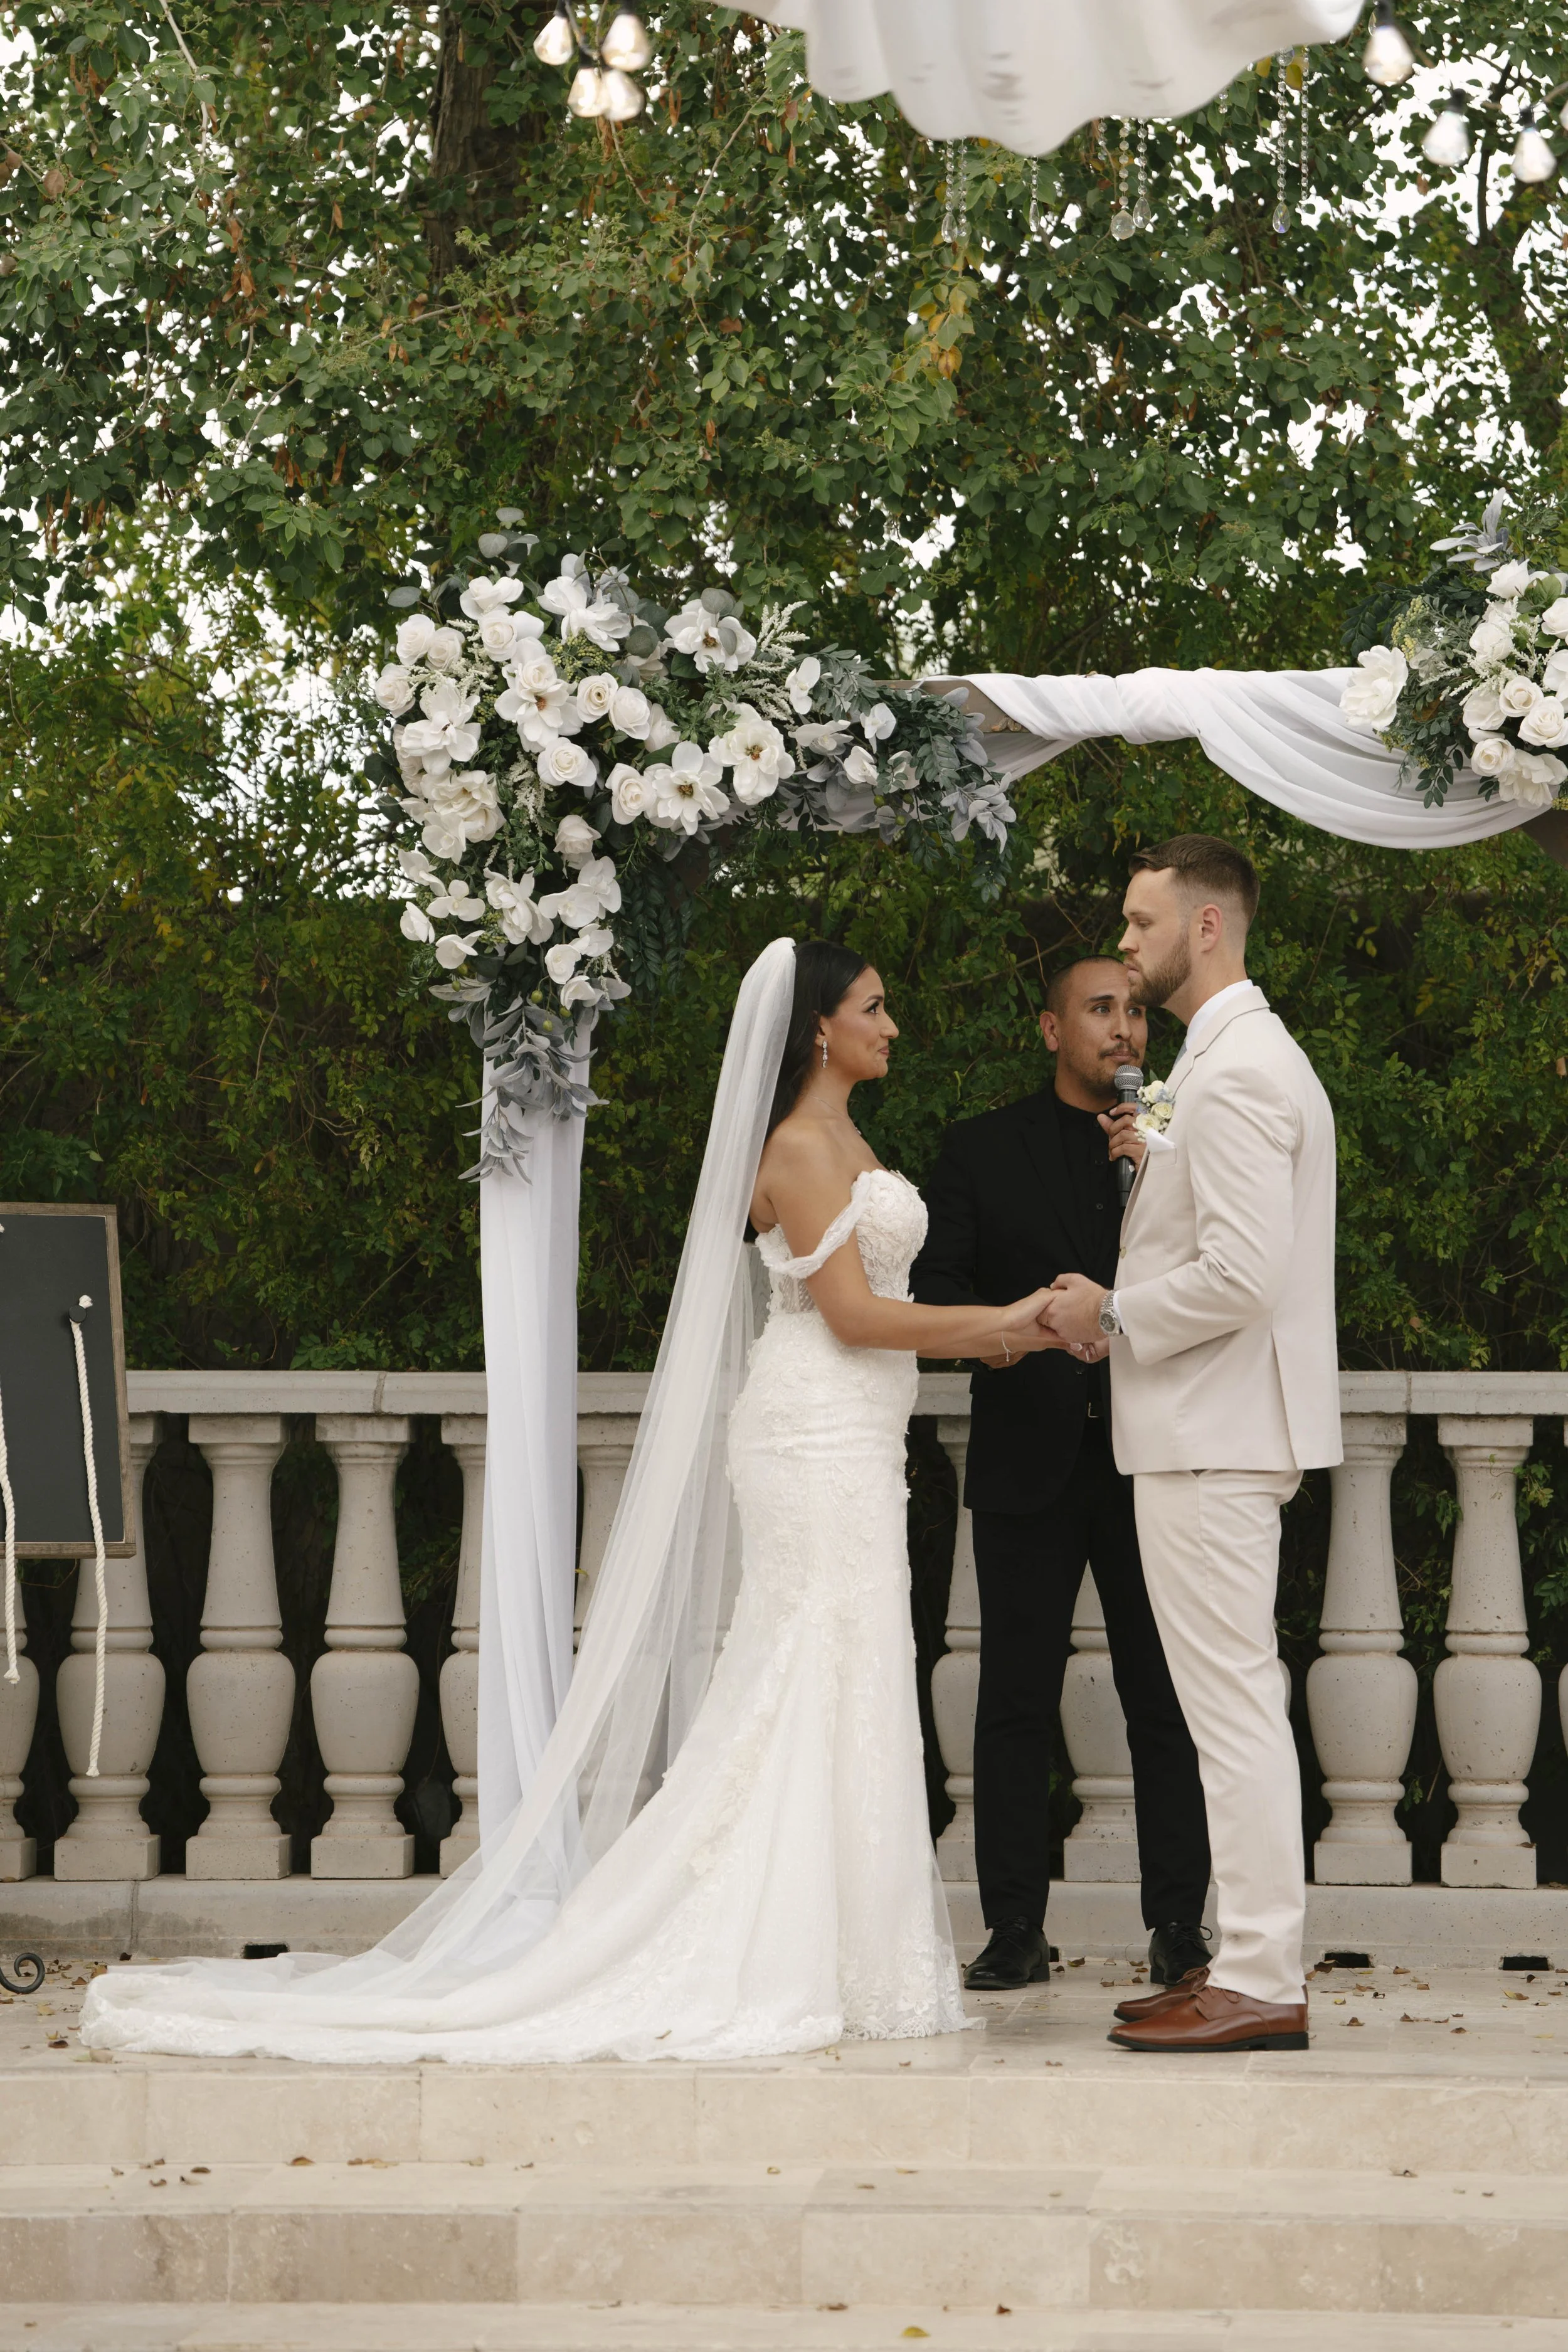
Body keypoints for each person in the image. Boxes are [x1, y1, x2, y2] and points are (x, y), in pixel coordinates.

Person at [82, 937, 1066, 2065]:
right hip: (815, 1431)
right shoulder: (796, 1145)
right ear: (819, 1030)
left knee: (848, 1664)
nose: (893, 1026)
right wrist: (998, 1325)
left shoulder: (847, 1133)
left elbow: (873, 1300)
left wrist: (976, 1338)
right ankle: (773, 1944)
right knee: (811, 1659)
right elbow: (846, 1313)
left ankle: (853, 1948)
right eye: (875, 1007)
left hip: (860, 1431)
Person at [1044, 836, 1341, 2055]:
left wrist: (1105, 1315)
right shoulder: (1214, 1068)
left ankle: (1262, 1976)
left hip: (1211, 1435)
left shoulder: (1238, 1073)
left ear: (1204, 928)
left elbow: (1239, 1276)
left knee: (1230, 1711)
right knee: (1226, 1705)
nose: (1122, 943)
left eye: (1138, 922)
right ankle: (1240, 1958)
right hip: (1204, 1430)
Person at [911, 958, 1210, 1993]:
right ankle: (1013, 1930)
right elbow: (935, 1292)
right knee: (1013, 1703)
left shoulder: (1184, 1134)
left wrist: (1157, 1166)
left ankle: (1179, 1925)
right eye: (1101, 1010)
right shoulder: (982, 1149)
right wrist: (1030, 1329)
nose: (1124, 1029)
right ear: (1051, 1028)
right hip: (1026, 1460)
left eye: (1135, 1011)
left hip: (1152, 1457)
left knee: (1164, 1699)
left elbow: (1224, 1272)